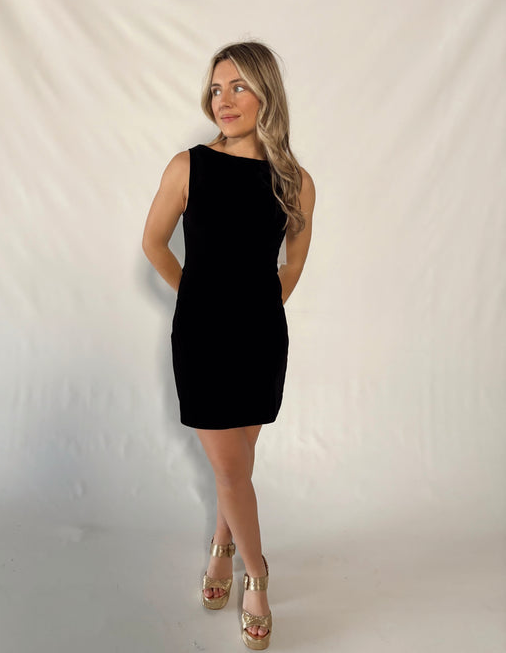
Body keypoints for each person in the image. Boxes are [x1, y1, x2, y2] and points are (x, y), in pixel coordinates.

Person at [142, 40, 315, 650]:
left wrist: (258, 307)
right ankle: (257, 575)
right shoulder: (187, 167)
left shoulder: (294, 181)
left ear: (267, 92)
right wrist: (199, 297)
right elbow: (153, 243)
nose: (225, 99)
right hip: (203, 338)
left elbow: (293, 263)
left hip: (261, 339)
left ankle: (221, 547)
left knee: (236, 465)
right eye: (217, 88)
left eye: (239, 86)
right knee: (232, 468)